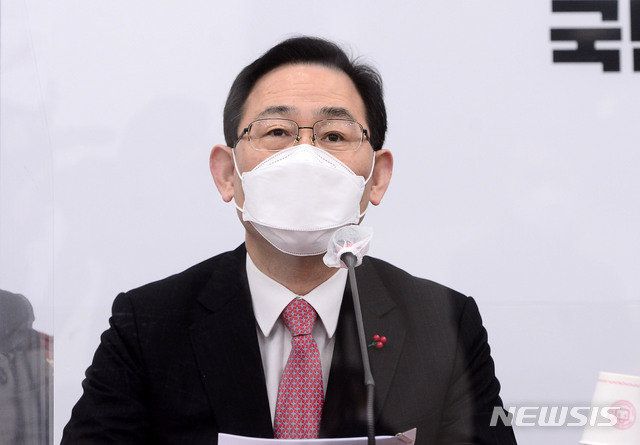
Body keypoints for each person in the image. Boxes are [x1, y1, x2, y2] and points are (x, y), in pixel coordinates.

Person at [62, 36, 516, 444]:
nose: (305, 157)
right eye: (277, 132)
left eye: (334, 135)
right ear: (227, 174)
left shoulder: (443, 326)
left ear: (377, 178)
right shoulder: (150, 324)